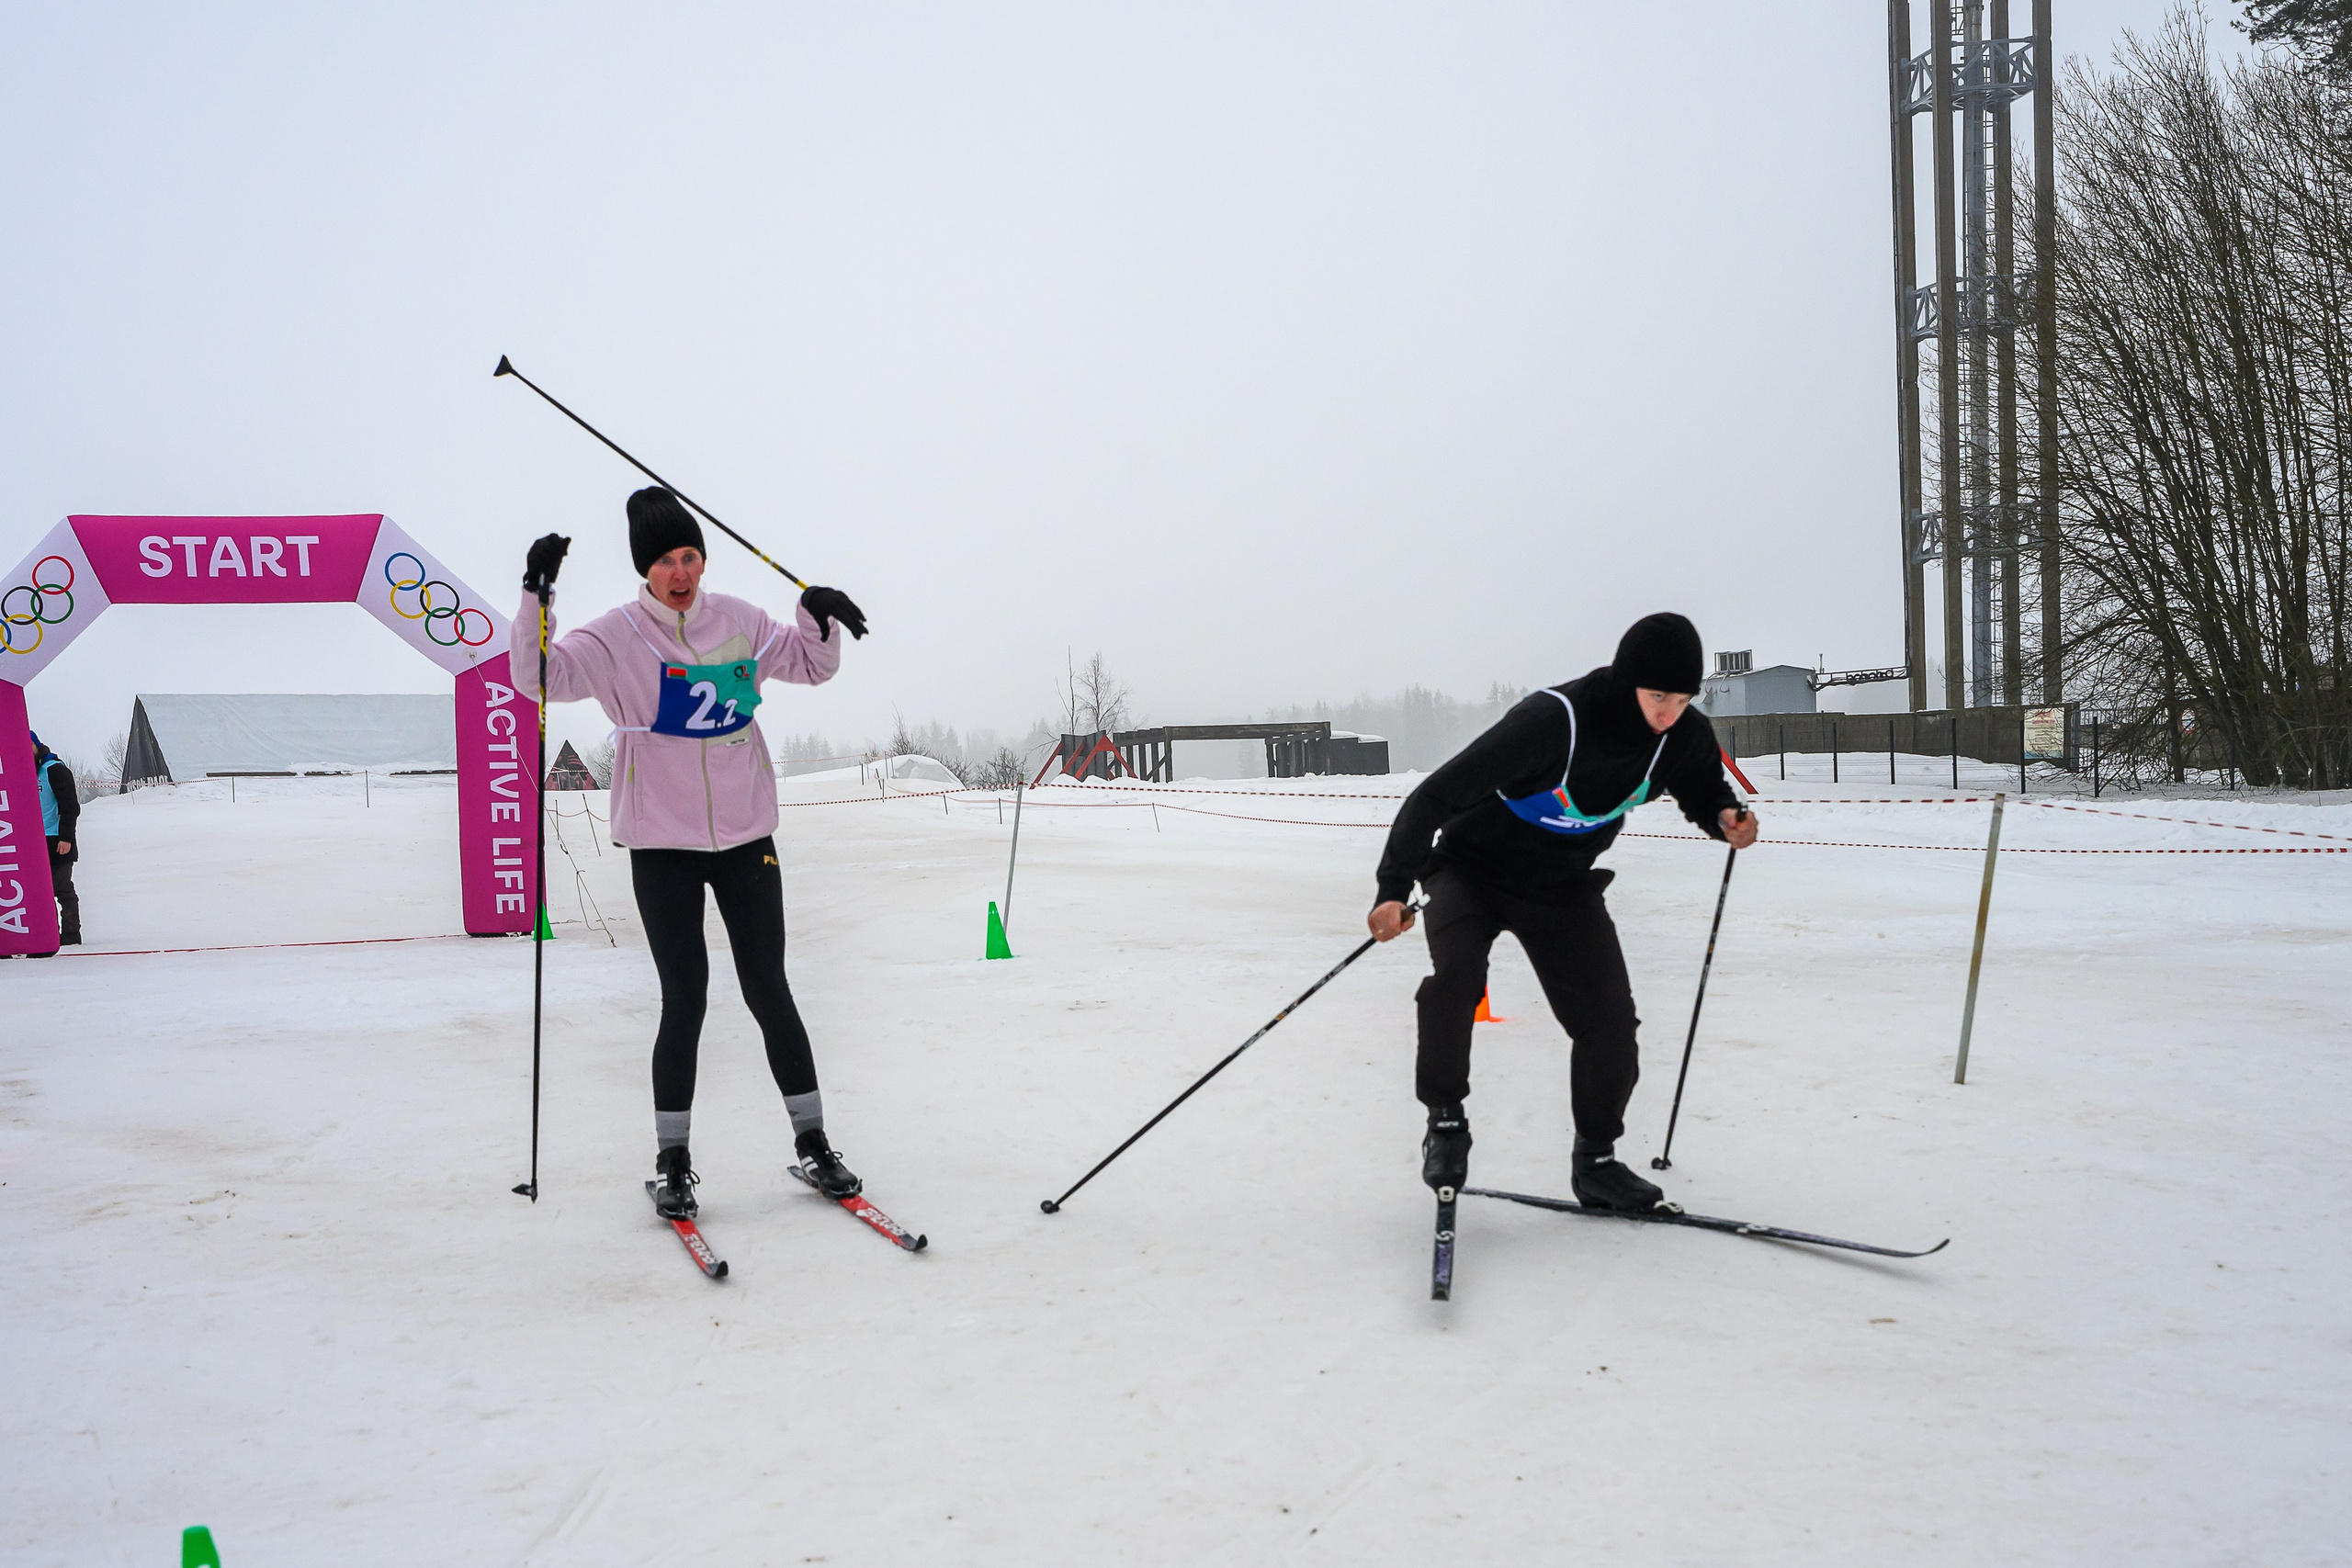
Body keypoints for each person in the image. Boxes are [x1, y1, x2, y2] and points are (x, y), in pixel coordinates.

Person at [514, 487, 870, 1220]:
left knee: (769, 987)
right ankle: (672, 1161)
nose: (680, 573)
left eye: (689, 556)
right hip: (663, 845)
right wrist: (535, 599)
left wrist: (819, 613)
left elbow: (811, 664)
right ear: (644, 569)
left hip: (746, 838)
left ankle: (814, 1143)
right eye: (664, 562)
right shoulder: (617, 637)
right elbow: (538, 676)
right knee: (687, 998)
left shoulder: (737, 621)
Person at [1367, 613, 1760, 1212]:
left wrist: (1725, 817)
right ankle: (1445, 1124)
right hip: (1472, 870)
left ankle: (1596, 1162)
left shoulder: (1682, 735)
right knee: (1455, 983)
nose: (1668, 713)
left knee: (1609, 1023)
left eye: (1682, 699)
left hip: (1561, 885)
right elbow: (1436, 795)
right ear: (1628, 681)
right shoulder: (1554, 722)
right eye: (1658, 697)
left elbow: (1705, 788)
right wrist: (1393, 887)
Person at [31, 731, 81, 950]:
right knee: (38, 891)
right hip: (32, 842)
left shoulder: (55, 769)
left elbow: (70, 807)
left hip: (56, 840)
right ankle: (46, 933)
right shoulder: (24, 770)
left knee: (61, 888)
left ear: (35, 745)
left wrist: (66, 838)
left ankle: (70, 934)